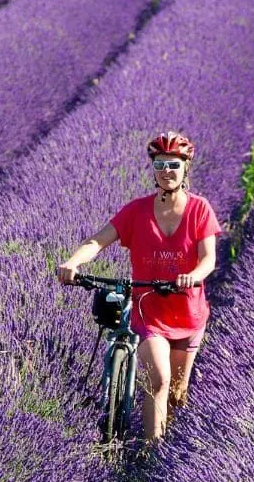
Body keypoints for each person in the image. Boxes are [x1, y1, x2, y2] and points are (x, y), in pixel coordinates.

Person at [56, 131, 219, 444]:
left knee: (176, 394)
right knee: (159, 380)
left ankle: (163, 457)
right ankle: (149, 454)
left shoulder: (200, 210)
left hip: (188, 313)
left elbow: (208, 259)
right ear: (153, 169)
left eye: (173, 164)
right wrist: (73, 263)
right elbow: (97, 240)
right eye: (160, 165)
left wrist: (193, 275)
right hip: (149, 313)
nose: (167, 171)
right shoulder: (137, 211)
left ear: (186, 168)